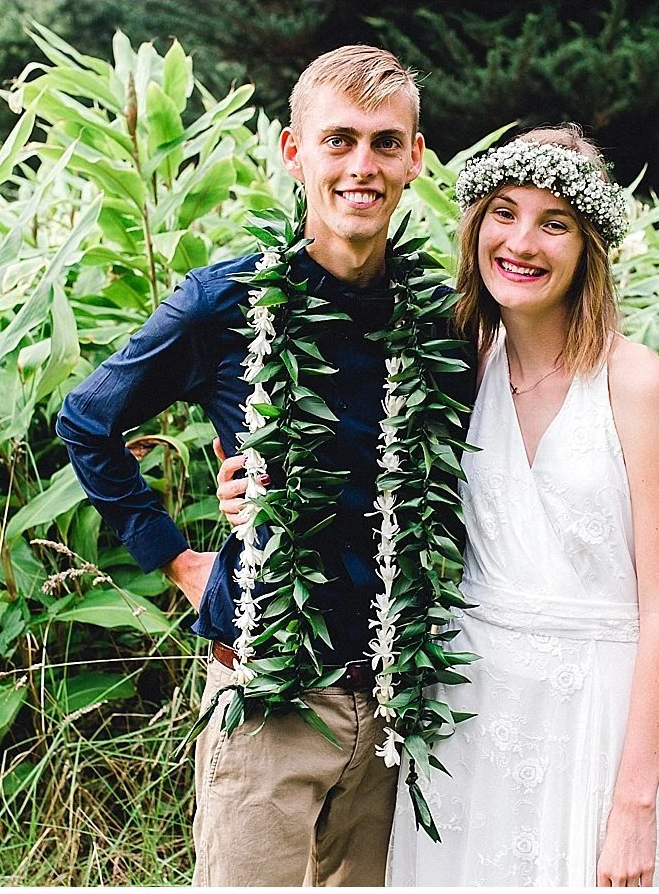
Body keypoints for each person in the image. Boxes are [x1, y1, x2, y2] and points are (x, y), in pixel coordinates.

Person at [219, 125, 659, 885]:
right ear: (476, 227)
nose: (523, 242)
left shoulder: (635, 383)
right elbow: (368, 480)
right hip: (464, 711)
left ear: (590, 244)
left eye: (554, 222)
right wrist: (252, 489)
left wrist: (634, 801)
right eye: (503, 212)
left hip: (587, 718)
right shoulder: (455, 358)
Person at [56, 46, 473, 886]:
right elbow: (85, 419)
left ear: (415, 159)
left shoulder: (439, 319)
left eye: (387, 143)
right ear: (294, 152)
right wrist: (176, 558)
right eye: (339, 140)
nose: (363, 165)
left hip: (395, 697)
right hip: (270, 693)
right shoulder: (226, 302)